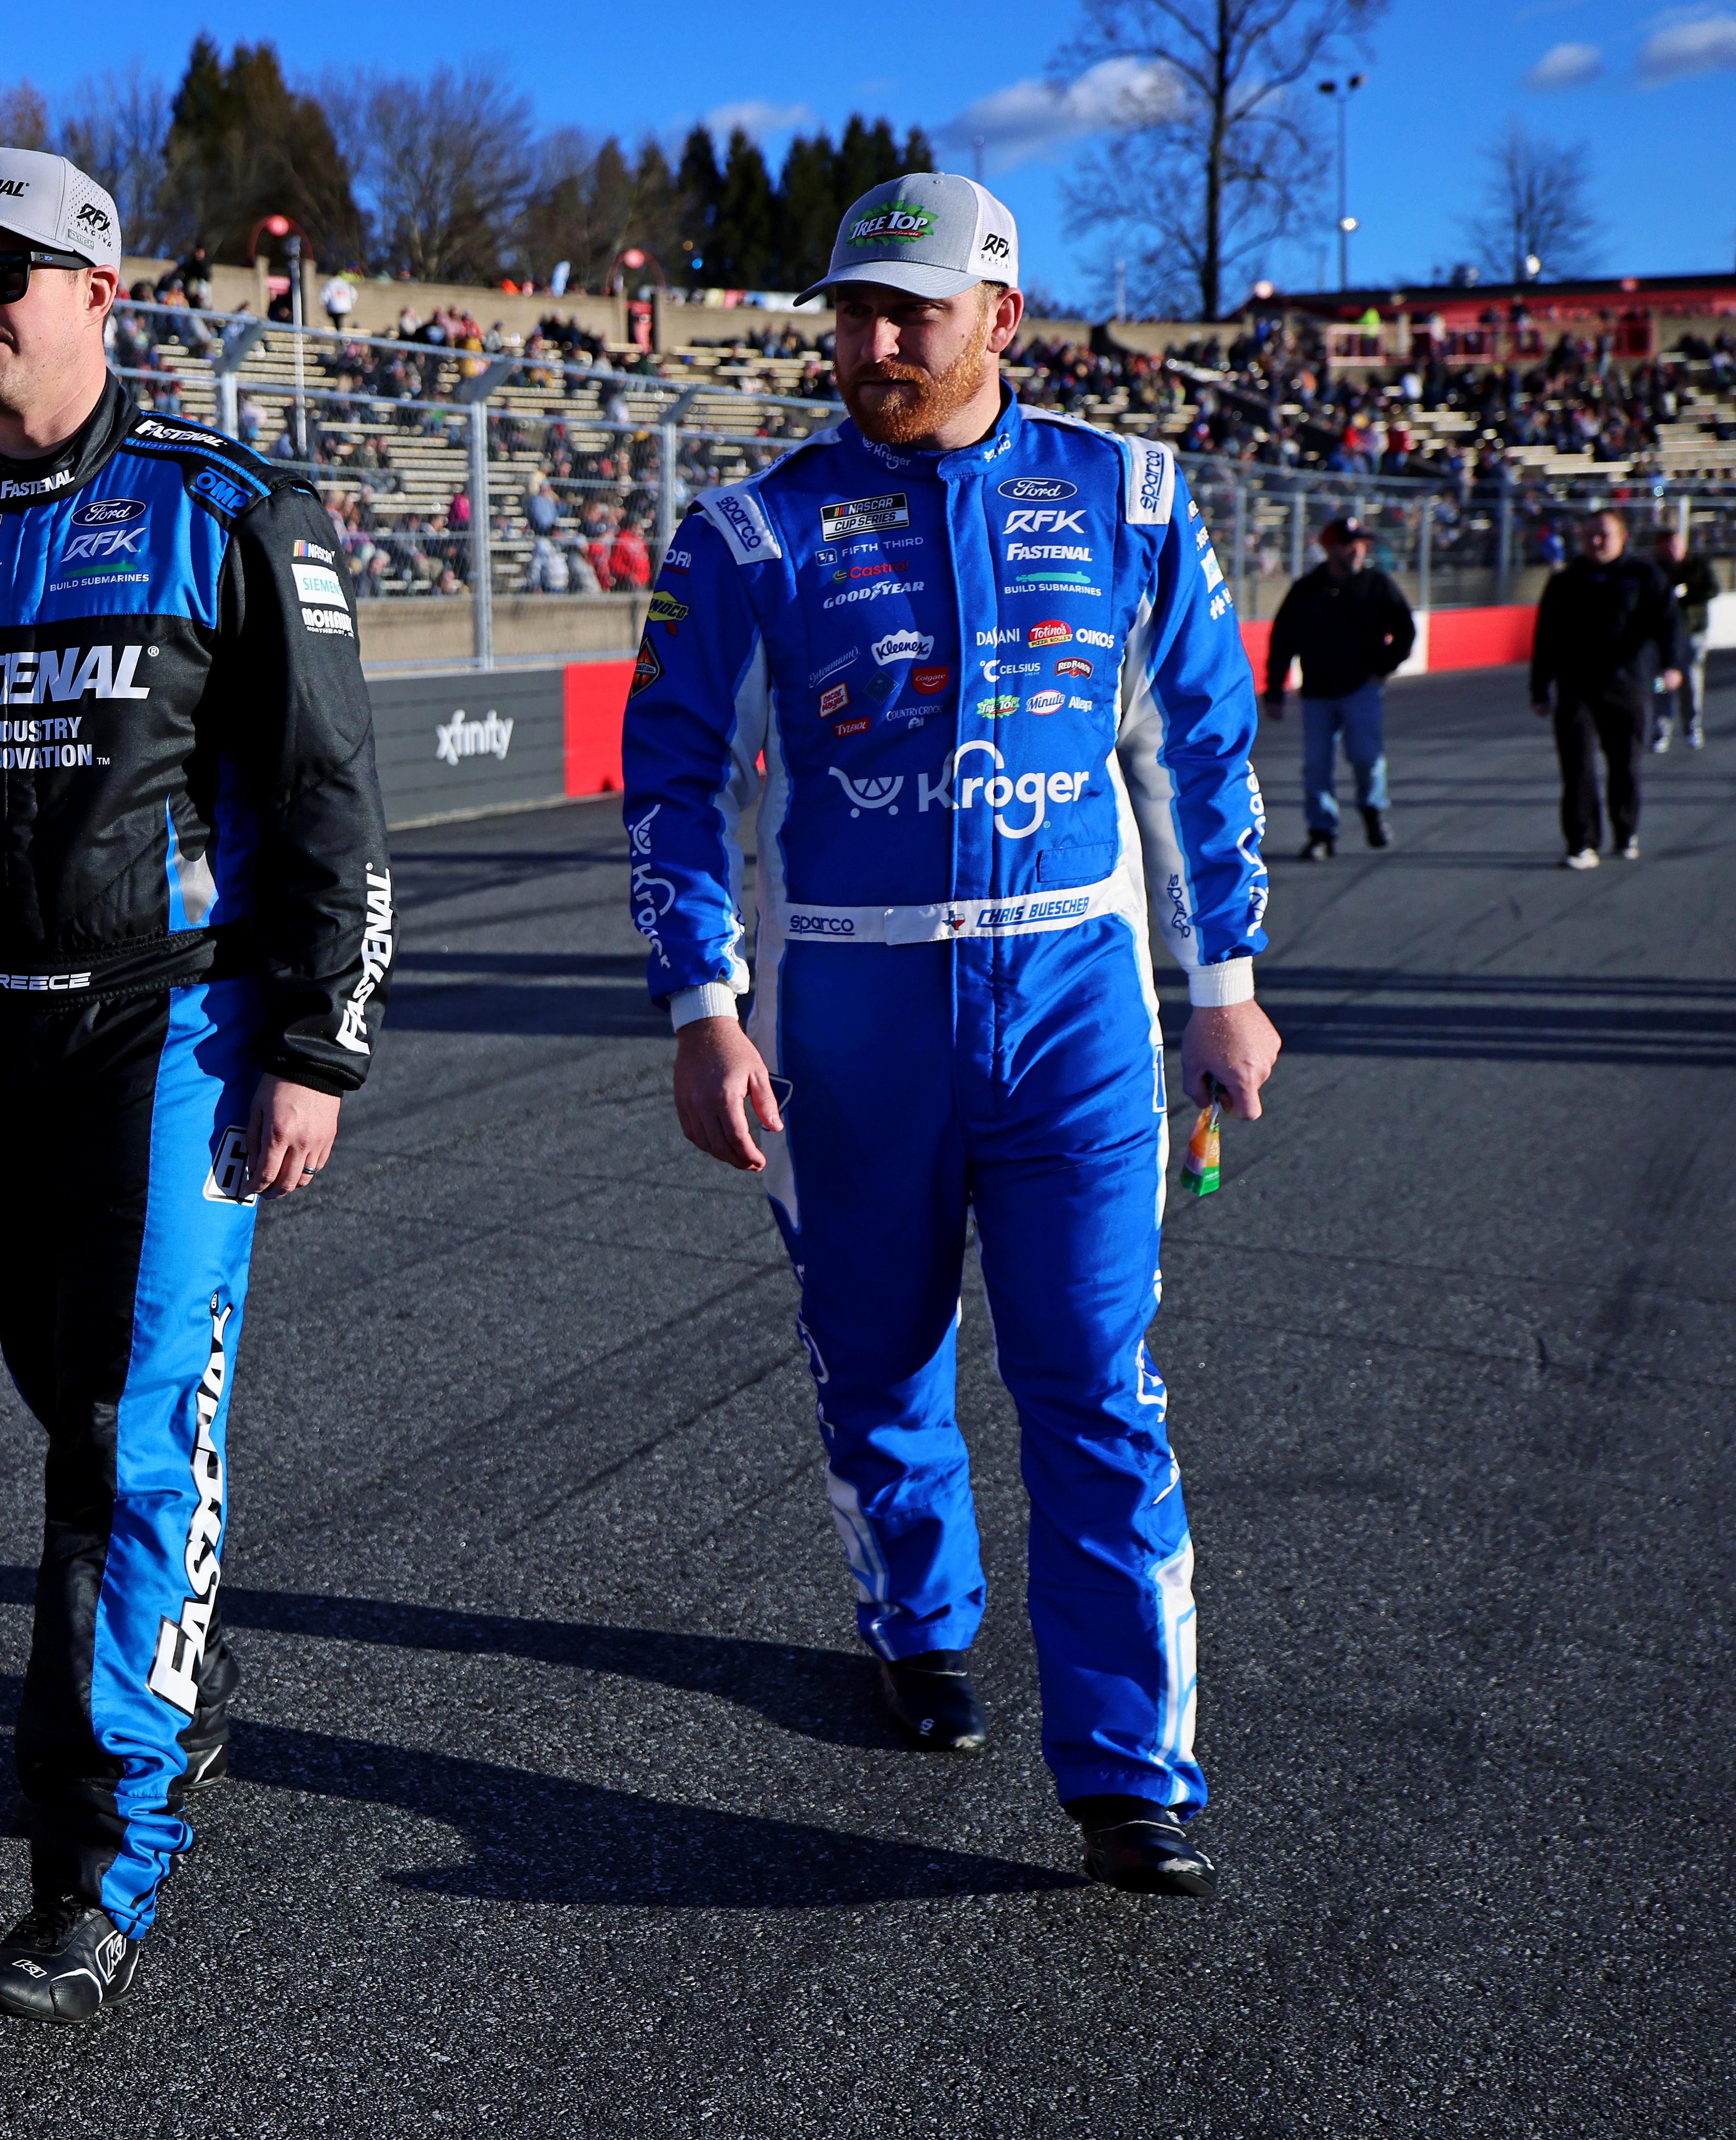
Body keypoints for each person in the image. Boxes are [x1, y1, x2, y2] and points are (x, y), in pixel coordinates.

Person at [623, 172, 1278, 1901]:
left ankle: (1131, 1771)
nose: (872, 342)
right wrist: (700, 1010)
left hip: (1071, 1009)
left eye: (908, 311)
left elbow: (1198, 753)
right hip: (845, 1018)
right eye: (850, 310)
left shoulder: (1129, 495)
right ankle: (918, 1621)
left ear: (1001, 311)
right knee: (878, 1353)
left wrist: (1222, 983)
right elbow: (671, 779)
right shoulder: (747, 533)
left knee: (1089, 1380)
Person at [0, 146, 390, 2021]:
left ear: (99, 290)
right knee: (71, 1415)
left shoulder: (230, 510)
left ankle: (97, 1863)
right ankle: (175, 1681)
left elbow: (325, 805)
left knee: (124, 1446)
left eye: (7, 278)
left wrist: (312, 1046)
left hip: (177, 1040)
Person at [1529, 509, 1684, 866]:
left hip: (1626, 685)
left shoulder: (1644, 577)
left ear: (1623, 537)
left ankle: (1625, 830)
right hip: (1576, 687)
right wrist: (1539, 689)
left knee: (1625, 764)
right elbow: (1545, 638)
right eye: (1589, 536)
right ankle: (1581, 843)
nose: (1596, 542)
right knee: (1577, 765)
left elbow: (1668, 623)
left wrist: (1672, 665)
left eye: (1604, 536)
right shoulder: (1564, 582)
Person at [1262, 513, 1416, 859]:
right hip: (1317, 692)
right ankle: (1321, 833)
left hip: (1361, 689)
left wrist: (1383, 667)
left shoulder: (1376, 584)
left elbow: (1405, 630)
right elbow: (1282, 642)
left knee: (1366, 757)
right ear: (1330, 548)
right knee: (1316, 765)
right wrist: (1274, 692)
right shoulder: (1305, 590)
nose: (1357, 550)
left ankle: (1372, 812)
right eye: (1349, 544)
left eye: (1361, 544)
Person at [1648, 526, 1714, 753]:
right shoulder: (1655, 570)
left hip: (1692, 632)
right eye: (1669, 545)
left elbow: (1711, 589)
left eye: (1677, 544)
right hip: (1662, 638)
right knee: (1660, 684)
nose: (1674, 549)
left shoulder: (1697, 565)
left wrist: (1687, 594)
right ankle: (1660, 728)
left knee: (1692, 681)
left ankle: (1692, 726)